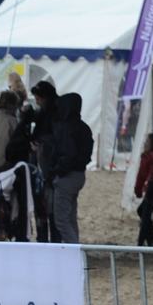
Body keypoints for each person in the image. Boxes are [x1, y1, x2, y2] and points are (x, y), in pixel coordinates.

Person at [43, 91, 90, 243]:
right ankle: (75, 248)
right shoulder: (84, 128)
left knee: (62, 220)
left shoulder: (67, 129)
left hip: (66, 176)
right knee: (70, 217)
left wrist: (56, 171)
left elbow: (67, 154)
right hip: (78, 175)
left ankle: (74, 250)